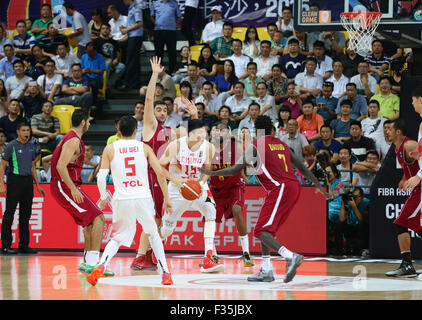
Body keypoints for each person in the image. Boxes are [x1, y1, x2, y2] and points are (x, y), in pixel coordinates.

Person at [200, 115, 330, 282]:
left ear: (256, 131)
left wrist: (211, 173)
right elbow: (302, 169)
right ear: (272, 130)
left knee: (260, 231)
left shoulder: (256, 146)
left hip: (280, 187)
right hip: (293, 187)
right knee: (265, 231)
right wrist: (319, 187)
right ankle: (266, 270)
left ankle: (290, 256)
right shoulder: (283, 145)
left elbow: (235, 169)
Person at [86, 115, 178, 285]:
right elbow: (160, 173)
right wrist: (167, 198)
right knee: (153, 235)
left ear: (118, 130)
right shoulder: (144, 148)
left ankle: (101, 265)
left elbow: (101, 177)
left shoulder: (110, 148)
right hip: (143, 197)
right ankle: (166, 273)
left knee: (118, 237)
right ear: (136, 131)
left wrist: (103, 195)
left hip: (122, 199)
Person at [129, 57, 177, 270]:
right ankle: (140, 256)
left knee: (158, 221)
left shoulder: (170, 132)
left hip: (162, 178)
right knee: (153, 220)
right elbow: (149, 100)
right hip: (148, 177)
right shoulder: (150, 125)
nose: (162, 113)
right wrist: (155, 74)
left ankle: (147, 255)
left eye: (165, 111)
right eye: (159, 110)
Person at [159, 118, 225, 273]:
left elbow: (208, 168)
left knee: (211, 210)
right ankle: (152, 247)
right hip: (177, 189)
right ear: (191, 133)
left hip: (197, 188)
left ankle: (208, 258)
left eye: (204, 132)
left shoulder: (208, 147)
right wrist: (177, 180)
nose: (203, 134)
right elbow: (160, 166)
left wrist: (202, 183)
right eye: (200, 132)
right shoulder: (176, 145)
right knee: (167, 229)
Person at [50, 109, 107, 274]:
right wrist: (73, 188)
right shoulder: (73, 140)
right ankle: (93, 263)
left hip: (66, 185)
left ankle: (87, 263)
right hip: (65, 186)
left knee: (90, 223)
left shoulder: (69, 138)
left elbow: (58, 160)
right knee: (98, 218)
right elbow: (61, 166)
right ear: (83, 122)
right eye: (88, 121)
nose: (89, 123)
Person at [209, 122, 253, 266]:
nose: (218, 132)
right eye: (216, 130)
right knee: (208, 219)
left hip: (234, 186)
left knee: (237, 209)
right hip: (216, 189)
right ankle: (212, 254)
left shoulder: (236, 146)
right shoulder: (207, 148)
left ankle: (246, 252)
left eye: (222, 130)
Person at [383, 119, 421, 277]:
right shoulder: (397, 147)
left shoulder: (409, 145)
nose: (386, 131)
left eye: (389, 129)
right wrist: (405, 178)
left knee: (400, 223)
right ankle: (407, 265)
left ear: (398, 131)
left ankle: (407, 265)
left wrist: (418, 177)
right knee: (419, 229)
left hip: (420, 189)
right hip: (416, 190)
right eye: (385, 129)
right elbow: (410, 166)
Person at [0, 122, 45, 255]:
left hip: (27, 182)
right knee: (9, 214)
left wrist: (37, 184)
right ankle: (6, 246)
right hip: (15, 180)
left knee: (26, 215)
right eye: (23, 130)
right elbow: (2, 166)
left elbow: (32, 166)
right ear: (18, 132)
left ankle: (24, 245)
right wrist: (2, 184)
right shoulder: (11, 146)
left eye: (28, 130)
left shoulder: (32, 146)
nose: (26, 133)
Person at [150, 0, 181, 75]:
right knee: (158, 53)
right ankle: (158, 73)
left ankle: (172, 73)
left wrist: (173, 25)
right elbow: (152, 16)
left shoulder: (174, 3)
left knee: (172, 52)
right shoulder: (155, 3)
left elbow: (179, 17)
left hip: (171, 32)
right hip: (159, 31)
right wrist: (157, 23)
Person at [119, 0, 143, 91]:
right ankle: (135, 84)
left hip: (135, 37)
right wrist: (126, 29)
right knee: (135, 61)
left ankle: (128, 84)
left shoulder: (136, 8)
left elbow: (139, 23)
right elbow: (134, 24)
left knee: (131, 61)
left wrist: (126, 30)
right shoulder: (131, 8)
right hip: (133, 36)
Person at [338, 186, 370, 256]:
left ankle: (363, 248)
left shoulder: (367, 203)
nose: (354, 199)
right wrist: (343, 203)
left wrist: (354, 207)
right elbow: (341, 219)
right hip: (351, 226)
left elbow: (361, 219)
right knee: (339, 224)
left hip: (363, 228)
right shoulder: (349, 202)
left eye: (356, 197)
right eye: (353, 196)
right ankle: (339, 249)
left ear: (361, 197)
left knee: (361, 224)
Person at [93, 23, 126, 89]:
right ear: (101, 30)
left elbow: (118, 52)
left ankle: (109, 83)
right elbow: (95, 54)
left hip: (112, 62)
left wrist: (116, 59)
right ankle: (104, 84)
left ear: (110, 30)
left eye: (107, 29)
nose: (105, 30)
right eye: (103, 29)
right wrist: (106, 58)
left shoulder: (113, 41)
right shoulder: (96, 41)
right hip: (101, 62)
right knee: (108, 62)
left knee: (122, 66)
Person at [325, 162, 346, 255]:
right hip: (326, 209)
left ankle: (337, 249)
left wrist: (328, 184)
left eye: (329, 172)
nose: (327, 174)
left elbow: (330, 197)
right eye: (326, 172)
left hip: (337, 210)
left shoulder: (340, 184)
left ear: (335, 173)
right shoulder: (322, 183)